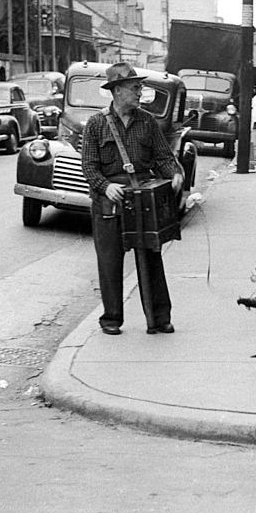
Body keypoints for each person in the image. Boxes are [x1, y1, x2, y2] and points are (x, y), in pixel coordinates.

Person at [81, 62, 184, 336]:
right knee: (110, 261)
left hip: (142, 200)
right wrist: (105, 187)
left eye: (140, 87)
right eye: (135, 87)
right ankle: (111, 319)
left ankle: (159, 319)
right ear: (116, 91)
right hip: (110, 201)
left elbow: (163, 157)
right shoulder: (96, 124)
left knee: (151, 258)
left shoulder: (147, 121)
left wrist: (174, 174)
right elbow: (89, 166)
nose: (140, 92)